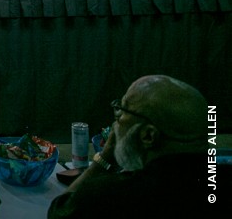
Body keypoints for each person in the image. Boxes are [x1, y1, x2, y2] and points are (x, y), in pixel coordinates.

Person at [48, 75, 230, 218]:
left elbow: (60, 212)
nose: (117, 120)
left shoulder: (110, 196)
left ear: (148, 135)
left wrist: (105, 158)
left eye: (123, 110)